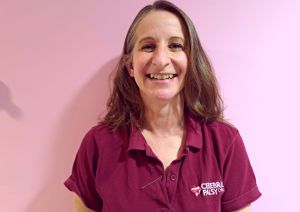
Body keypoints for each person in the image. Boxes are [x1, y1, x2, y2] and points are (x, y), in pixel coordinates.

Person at [64, 1, 261, 211]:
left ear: (191, 60)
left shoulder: (225, 143)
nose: (160, 59)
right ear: (130, 65)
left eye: (175, 45)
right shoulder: (97, 145)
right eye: (148, 46)